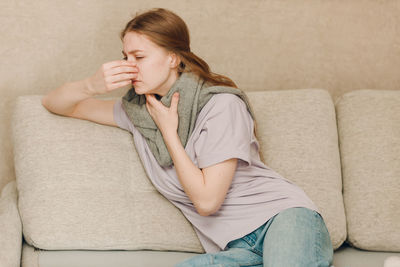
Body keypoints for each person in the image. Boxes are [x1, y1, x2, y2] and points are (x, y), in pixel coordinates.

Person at [41, 8, 334, 267]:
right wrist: (91, 84)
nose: (130, 67)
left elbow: (207, 201)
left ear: (173, 58)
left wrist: (170, 132)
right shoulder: (137, 113)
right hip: (237, 248)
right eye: (125, 57)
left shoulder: (221, 105)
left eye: (139, 57)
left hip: (285, 220)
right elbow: (56, 103)